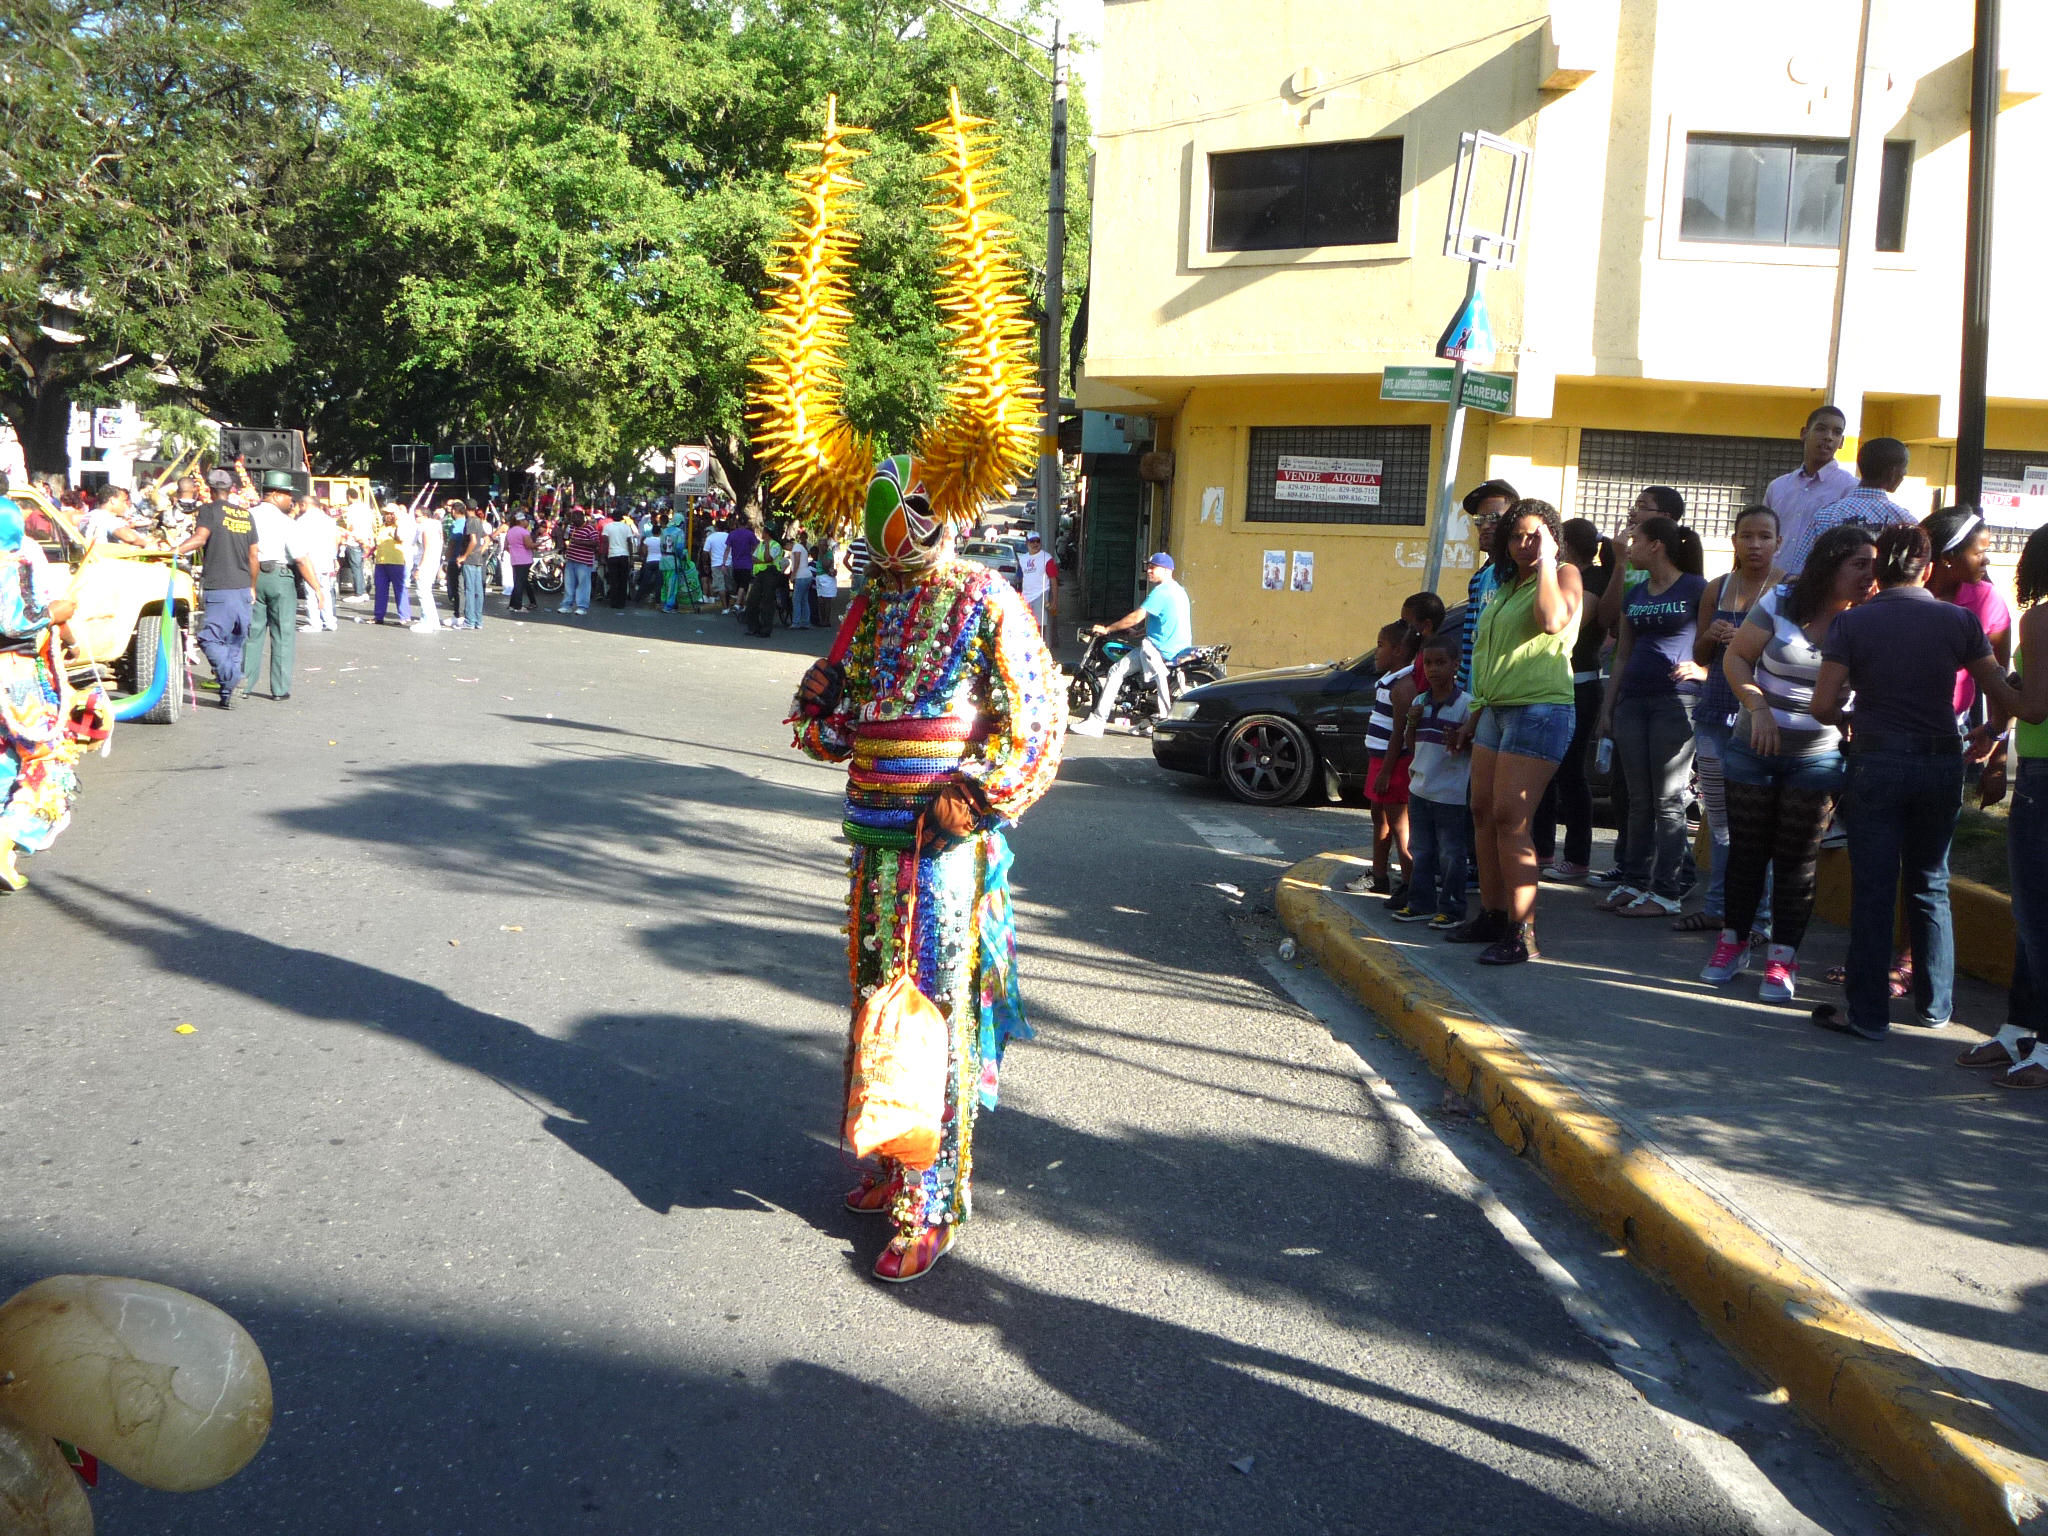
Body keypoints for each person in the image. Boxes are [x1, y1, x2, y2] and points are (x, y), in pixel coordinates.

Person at [791, 459, 1063, 1283]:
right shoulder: (871, 608)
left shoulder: (985, 595)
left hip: (940, 852)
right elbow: (838, 732)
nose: (894, 532)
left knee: (934, 1007)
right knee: (878, 998)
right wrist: (817, 705)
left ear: (942, 514)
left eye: (910, 513)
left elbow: (1037, 715)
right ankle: (890, 1151)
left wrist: (980, 796)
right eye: (884, 521)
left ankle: (931, 1199)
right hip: (873, 840)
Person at [1810, 524, 2024, 1041]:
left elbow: (1821, 704)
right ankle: (1935, 1008)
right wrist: (2001, 727)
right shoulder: (1959, 621)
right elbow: (1998, 687)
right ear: (1927, 569)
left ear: (1881, 567)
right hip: (1940, 764)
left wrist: (1845, 718)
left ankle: (1866, 1014)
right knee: (1930, 882)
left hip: (1876, 761)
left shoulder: (1853, 624)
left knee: (1875, 888)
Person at [1709, 525, 1877, 999]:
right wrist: (1757, 707)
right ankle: (1731, 943)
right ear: (1831, 565)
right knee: (1746, 853)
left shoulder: (1868, 616)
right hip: (1753, 748)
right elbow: (1737, 659)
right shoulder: (1782, 600)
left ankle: (1782, 960)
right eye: (1858, 564)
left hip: (1818, 757)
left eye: (1874, 565)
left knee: (1797, 860)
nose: (1869, 575)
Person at [1450, 498, 1584, 964]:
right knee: (1482, 811)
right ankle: (1492, 912)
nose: (1523, 544)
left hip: (1539, 710)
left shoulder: (1562, 575)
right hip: (1494, 710)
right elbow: (1490, 654)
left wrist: (1548, 559)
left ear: (1551, 535)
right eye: (1516, 537)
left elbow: (1551, 621)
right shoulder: (1507, 585)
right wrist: (1473, 714)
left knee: (1511, 817)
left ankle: (1522, 931)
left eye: (1534, 535)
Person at [1961, 525, 2048, 1084]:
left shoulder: (2040, 618)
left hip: (2043, 778)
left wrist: (1988, 673)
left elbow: (2035, 707)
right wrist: (1996, 726)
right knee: (2030, 912)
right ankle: (2019, 1029)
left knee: (2037, 917)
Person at [1596, 515, 1706, 918]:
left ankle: (1667, 890)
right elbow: (1622, 653)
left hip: (1677, 703)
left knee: (1668, 800)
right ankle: (1635, 882)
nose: (1628, 545)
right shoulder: (1636, 591)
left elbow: (1715, 641)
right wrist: (1609, 706)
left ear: (1656, 545)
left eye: (1635, 539)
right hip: (1633, 702)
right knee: (1639, 801)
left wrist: (1704, 671)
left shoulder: (1697, 588)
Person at [0, 495, 107, 892]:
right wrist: (56, 616)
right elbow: (14, 620)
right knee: (47, 763)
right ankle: (7, 839)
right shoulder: (16, 558)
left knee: (6, 759)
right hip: (16, 675)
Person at [1684, 505, 1782, 932]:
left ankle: (1760, 919)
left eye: (1764, 537)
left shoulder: (1788, 589)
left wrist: (1748, 642)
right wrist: (1711, 636)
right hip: (1714, 715)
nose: (1755, 544)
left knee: (1759, 823)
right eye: (1747, 536)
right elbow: (1699, 656)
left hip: (1762, 721)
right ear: (1735, 541)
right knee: (1719, 821)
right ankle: (1718, 905)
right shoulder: (1717, 589)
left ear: (1779, 543)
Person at [1587, 485, 1687, 890]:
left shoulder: (1687, 578)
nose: (1631, 514)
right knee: (1627, 790)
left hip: (1670, 701)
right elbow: (1608, 620)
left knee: (1665, 797)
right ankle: (1630, 868)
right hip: (1625, 688)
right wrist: (1618, 562)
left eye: (1642, 509)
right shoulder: (1630, 569)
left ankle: (1674, 877)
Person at [1535, 519, 1613, 882]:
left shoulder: (1592, 579)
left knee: (1570, 773)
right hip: (1551, 683)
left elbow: (1572, 623)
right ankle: (1542, 851)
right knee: (1544, 773)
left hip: (1579, 685)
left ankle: (1579, 857)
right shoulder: (1563, 574)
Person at [1388, 636, 1474, 930]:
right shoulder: (1419, 702)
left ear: (1455, 665)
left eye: (1441, 663)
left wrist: (1461, 739)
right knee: (1420, 849)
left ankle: (1452, 908)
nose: (1434, 669)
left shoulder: (1466, 705)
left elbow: (1472, 748)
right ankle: (1421, 904)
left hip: (1450, 793)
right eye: (1428, 663)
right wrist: (1412, 722)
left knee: (1451, 854)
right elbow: (1412, 747)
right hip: (1420, 789)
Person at [1069, 552, 1191, 736]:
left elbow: (1136, 617)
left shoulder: (1161, 592)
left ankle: (1097, 722)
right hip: (1176, 648)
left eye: (1153, 567)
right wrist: (1139, 633)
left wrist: (1108, 629)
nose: (1148, 570)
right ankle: (1147, 721)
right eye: (1148, 567)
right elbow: (1165, 622)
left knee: (1116, 671)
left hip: (1160, 649)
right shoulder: (1178, 590)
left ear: (1166, 570)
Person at [173, 470, 260, 708]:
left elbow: (200, 539)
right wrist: (252, 586)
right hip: (243, 586)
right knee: (234, 641)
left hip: (219, 586)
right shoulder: (245, 515)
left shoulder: (209, 510)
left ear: (209, 490)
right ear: (232, 488)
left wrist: (174, 551)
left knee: (209, 638)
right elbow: (254, 555)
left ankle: (231, 678)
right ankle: (226, 695)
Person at [1777, 436, 1915, 577]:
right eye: (1904, 467)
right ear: (1891, 472)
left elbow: (1800, 571)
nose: (1904, 473)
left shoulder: (1826, 516)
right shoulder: (1905, 522)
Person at [242, 477, 318, 701]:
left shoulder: (247, 515)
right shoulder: (286, 523)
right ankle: (279, 689)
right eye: (288, 495)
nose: (291, 501)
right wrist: (317, 588)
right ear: (275, 494)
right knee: (283, 634)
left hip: (251, 577)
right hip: (279, 577)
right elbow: (301, 559)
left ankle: (244, 685)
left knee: (252, 633)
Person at [1361, 621, 1419, 898]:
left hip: (1393, 764)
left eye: (1380, 645)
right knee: (1379, 817)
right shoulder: (1388, 682)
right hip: (1380, 761)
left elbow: (1400, 733)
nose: (1376, 652)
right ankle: (1379, 875)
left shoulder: (1402, 687)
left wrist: (1386, 772)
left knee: (1399, 824)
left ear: (1398, 651)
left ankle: (1410, 884)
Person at [1764, 405, 1858, 571]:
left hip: (1817, 586)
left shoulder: (1850, 488)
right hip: (1771, 584)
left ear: (1842, 442)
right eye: (1821, 429)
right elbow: (1762, 533)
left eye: (1836, 432)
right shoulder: (1778, 487)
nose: (1828, 437)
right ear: (1804, 433)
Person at [1455, 480, 1519, 693]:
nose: (1485, 526)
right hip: (1476, 694)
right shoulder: (1478, 579)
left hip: (1510, 693)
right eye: (1479, 520)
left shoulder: (1524, 573)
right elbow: (1470, 645)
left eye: (1494, 518)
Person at [294, 494, 342, 633]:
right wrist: (334, 558)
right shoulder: (329, 520)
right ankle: (330, 621)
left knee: (311, 592)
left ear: (304, 505)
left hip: (310, 561)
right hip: (326, 560)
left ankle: (315, 623)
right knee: (325, 591)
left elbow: (299, 543)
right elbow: (334, 541)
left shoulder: (302, 521)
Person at [743, 523, 785, 636]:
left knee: (767, 602)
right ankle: (753, 627)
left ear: (767, 533)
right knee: (752, 600)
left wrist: (767, 547)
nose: (761, 534)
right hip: (760, 574)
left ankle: (765, 630)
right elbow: (753, 557)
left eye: (763, 532)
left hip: (771, 574)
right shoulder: (760, 545)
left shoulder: (775, 545)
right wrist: (763, 561)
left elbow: (768, 558)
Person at [411, 499, 447, 633]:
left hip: (425, 562)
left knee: (423, 593)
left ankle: (427, 622)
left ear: (425, 516)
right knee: (427, 592)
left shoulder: (425, 527)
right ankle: (433, 621)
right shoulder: (436, 525)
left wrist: (419, 568)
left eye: (417, 516)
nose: (415, 519)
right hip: (433, 562)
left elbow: (426, 548)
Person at [458, 503, 494, 630]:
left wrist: (465, 556)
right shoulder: (479, 521)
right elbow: (487, 539)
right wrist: (481, 550)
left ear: (466, 509)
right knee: (478, 591)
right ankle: (478, 620)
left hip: (470, 560)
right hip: (478, 560)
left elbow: (473, 541)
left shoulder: (470, 522)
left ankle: (470, 620)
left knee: (470, 590)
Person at [371, 506, 410, 625]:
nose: (387, 516)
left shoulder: (400, 526)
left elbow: (401, 538)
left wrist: (397, 523)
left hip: (396, 562)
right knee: (380, 590)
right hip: (381, 562)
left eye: (390, 513)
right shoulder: (382, 527)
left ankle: (404, 616)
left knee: (400, 589)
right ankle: (379, 615)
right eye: (386, 513)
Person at [1018, 529, 1059, 634]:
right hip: (1025, 597)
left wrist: (1054, 601)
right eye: (1032, 541)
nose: (1035, 544)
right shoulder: (1022, 559)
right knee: (1025, 627)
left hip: (1040, 596)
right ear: (1027, 543)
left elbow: (1053, 580)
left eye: (1037, 541)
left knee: (1039, 628)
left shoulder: (1047, 558)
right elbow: (1019, 579)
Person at [561, 511, 599, 614]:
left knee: (583, 584)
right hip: (571, 559)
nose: (574, 520)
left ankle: (582, 607)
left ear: (582, 518)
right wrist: (565, 527)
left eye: (575, 518)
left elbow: (595, 542)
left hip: (583, 561)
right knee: (569, 584)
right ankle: (566, 605)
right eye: (572, 518)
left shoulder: (590, 528)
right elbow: (565, 537)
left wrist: (581, 542)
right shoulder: (572, 528)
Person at [603, 505, 636, 609]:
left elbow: (605, 542)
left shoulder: (608, 527)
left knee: (614, 580)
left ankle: (614, 602)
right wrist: (631, 557)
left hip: (612, 555)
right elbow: (629, 542)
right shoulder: (626, 527)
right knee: (623, 580)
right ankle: (621, 603)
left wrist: (603, 555)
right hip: (624, 555)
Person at [504, 514, 537, 611]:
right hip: (525, 560)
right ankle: (517, 605)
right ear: (521, 521)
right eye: (526, 520)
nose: (527, 522)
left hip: (515, 560)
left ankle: (514, 604)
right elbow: (528, 545)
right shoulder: (524, 532)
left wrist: (514, 552)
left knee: (520, 581)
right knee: (519, 583)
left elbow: (506, 546)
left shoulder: (510, 531)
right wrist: (537, 544)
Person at [787, 534, 814, 629]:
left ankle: (796, 622)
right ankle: (805, 621)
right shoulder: (800, 547)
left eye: (787, 546)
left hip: (801, 576)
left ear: (790, 544)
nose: (787, 549)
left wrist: (793, 575)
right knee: (804, 599)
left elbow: (797, 562)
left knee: (796, 599)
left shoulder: (796, 548)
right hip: (807, 575)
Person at [812, 533, 840, 628]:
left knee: (827, 600)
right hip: (819, 577)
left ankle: (826, 620)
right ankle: (822, 619)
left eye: (823, 545)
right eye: (819, 545)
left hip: (826, 578)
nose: (821, 547)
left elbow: (825, 565)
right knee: (820, 600)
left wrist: (822, 553)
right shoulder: (819, 553)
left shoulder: (828, 554)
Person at [704, 519, 731, 610]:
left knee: (720, 586)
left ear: (716, 528)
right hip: (728, 563)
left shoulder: (710, 537)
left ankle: (725, 607)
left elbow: (705, 552)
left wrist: (705, 564)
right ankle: (729, 604)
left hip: (716, 564)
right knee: (727, 585)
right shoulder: (729, 536)